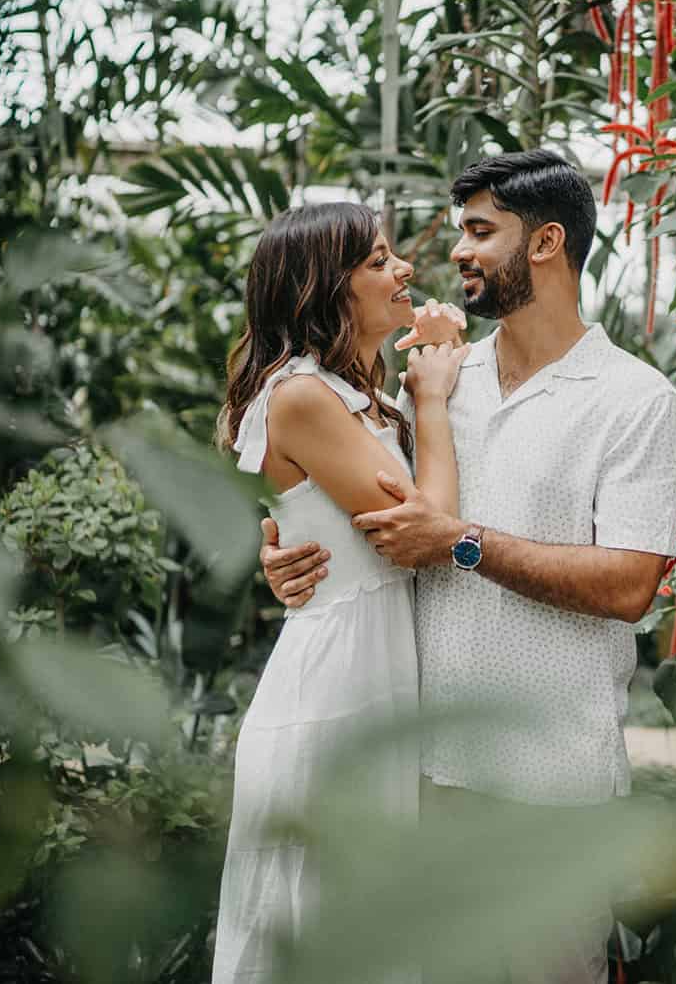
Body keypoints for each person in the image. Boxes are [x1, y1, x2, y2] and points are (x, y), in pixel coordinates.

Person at [259, 150, 676, 984]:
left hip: (551, 787)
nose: (457, 250)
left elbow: (630, 585)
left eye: (480, 231)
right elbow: (348, 498)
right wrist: (285, 553)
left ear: (546, 243)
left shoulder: (636, 401)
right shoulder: (438, 380)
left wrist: (461, 540)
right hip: (415, 776)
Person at [211, 201, 468, 983]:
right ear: (328, 287)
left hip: (373, 667)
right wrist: (431, 396)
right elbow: (430, 527)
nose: (405, 272)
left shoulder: (347, 390)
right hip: (337, 685)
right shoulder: (300, 396)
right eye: (381, 261)